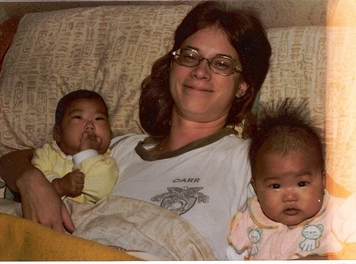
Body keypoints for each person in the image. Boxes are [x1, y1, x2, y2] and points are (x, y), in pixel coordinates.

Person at [0, 1, 271, 260]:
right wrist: (32, 180)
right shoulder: (119, 148)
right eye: (189, 56)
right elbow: (13, 159)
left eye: (221, 63)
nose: (201, 71)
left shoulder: (251, 161)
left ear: (243, 86)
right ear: (173, 66)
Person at [226, 98, 356, 260]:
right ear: (255, 187)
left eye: (302, 184)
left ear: (323, 180)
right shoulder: (248, 221)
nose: (289, 197)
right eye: (275, 186)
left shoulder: (339, 213)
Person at [31, 90, 118, 204]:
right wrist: (59, 186)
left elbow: (101, 191)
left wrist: (88, 153)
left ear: (110, 134)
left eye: (99, 119)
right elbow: (35, 178)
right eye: (78, 117)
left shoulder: (107, 163)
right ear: (58, 133)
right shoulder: (46, 153)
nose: (90, 126)